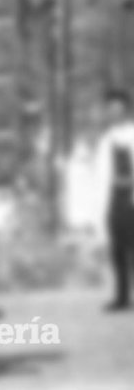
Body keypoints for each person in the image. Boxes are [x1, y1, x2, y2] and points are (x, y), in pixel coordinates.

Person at [94, 89, 134, 311]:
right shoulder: (106, 140)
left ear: (126, 110)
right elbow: (101, 176)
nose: (114, 114)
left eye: (118, 109)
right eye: (111, 110)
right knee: (118, 250)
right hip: (115, 198)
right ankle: (122, 297)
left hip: (132, 196)